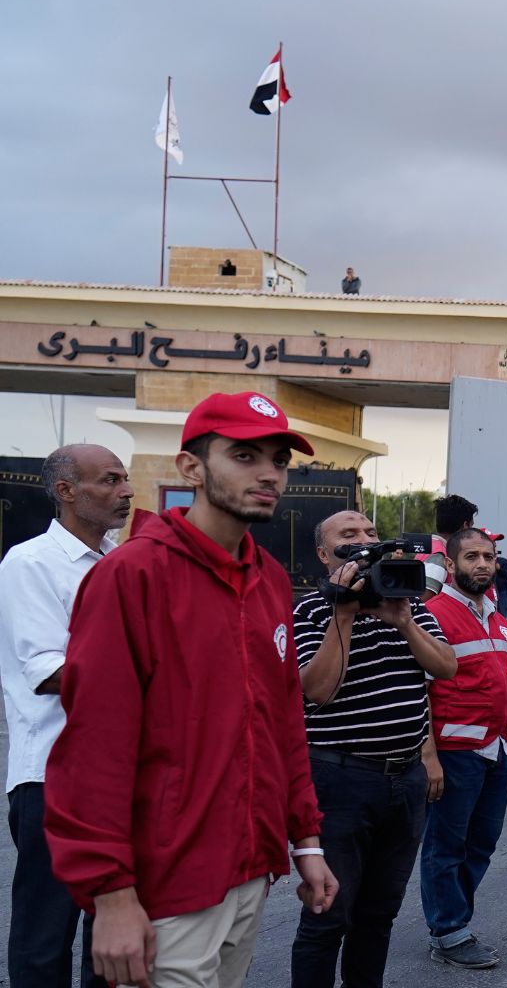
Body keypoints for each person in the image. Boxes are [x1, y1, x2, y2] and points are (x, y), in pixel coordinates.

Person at [46, 391, 338, 988]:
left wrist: (305, 840)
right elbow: (94, 750)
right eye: (244, 455)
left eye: (279, 460)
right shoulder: (131, 576)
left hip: (252, 869)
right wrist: (112, 895)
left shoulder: (269, 579)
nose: (268, 474)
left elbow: (284, 722)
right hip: (169, 887)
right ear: (191, 468)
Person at [291, 510, 457, 988]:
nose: (364, 541)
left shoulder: (411, 605)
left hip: (403, 780)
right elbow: (318, 690)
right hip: (338, 780)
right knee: (328, 915)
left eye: (369, 533)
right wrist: (342, 612)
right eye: (348, 535)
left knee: (378, 914)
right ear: (325, 556)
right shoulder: (310, 611)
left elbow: (445, 669)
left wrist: (404, 620)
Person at [0, 444, 130, 988]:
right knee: (43, 940)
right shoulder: (30, 563)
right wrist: (149, 673)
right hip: (51, 779)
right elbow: (50, 672)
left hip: (119, 780)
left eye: (125, 479)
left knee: (114, 939)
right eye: (109, 480)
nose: (125, 490)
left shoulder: (119, 562)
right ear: (66, 491)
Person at [419, 529, 507, 970]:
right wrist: (428, 756)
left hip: (494, 750)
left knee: (482, 843)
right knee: (446, 846)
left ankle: (453, 919)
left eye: (489, 556)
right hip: (455, 751)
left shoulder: (496, 616)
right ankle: (449, 931)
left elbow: (506, 686)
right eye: (472, 556)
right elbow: (418, 691)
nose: (482, 564)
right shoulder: (433, 614)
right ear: (452, 564)